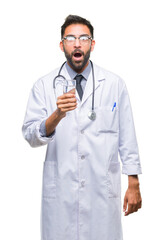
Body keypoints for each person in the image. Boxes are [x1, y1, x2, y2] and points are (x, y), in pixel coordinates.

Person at [22, 15, 142, 240]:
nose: (77, 43)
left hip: (101, 192)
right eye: (70, 38)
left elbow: (127, 134)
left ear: (92, 44)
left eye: (84, 38)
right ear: (62, 45)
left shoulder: (114, 84)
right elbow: (30, 135)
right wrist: (56, 116)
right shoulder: (44, 85)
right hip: (61, 195)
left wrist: (133, 181)